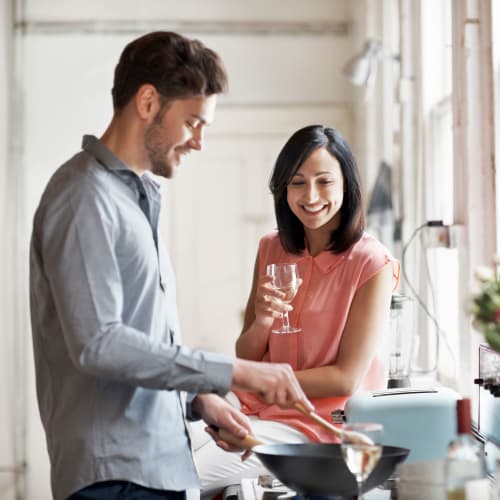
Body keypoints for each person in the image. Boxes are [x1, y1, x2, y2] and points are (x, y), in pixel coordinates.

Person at [29, 31, 313, 500]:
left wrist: (198, 400)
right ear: (147, 102)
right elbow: (99, 344)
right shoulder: (84, 197)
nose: (199, 142)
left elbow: (143, 343)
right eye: (193, 122)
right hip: (115, 479)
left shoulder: (137, 195)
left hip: (155, 468)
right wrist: (237, 372)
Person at [193, 125, 400, 497]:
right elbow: (247, 354)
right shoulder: (272, 247)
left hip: (316, 424)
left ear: (346, 186)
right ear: (283, 189)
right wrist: (264, 320)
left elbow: (346, 379)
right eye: (297, 183)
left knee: (182, 474)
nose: (311, 196)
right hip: (253, 406)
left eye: (324, 182)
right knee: (163, 443)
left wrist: (265, 381)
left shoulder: (371, 262)